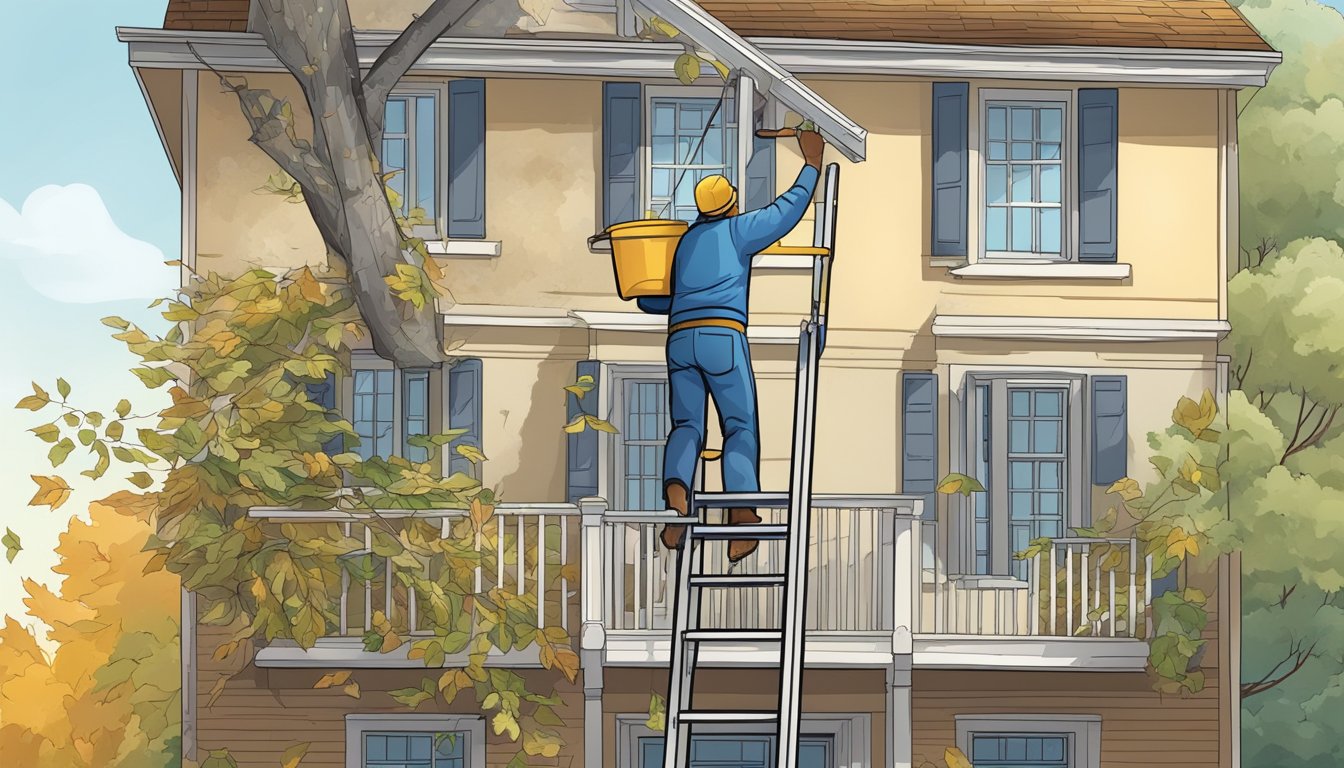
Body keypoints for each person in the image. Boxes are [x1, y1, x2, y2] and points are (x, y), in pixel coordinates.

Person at [637, 129, 826, 563]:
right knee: (739, 426)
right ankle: (741, 520)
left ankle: (676, 502)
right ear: (732, 205)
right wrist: (811, 164)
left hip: (680, 339)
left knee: (687, 425)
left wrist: (640, 294)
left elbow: (657, 299)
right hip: (722, 336)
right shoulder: (738, 231)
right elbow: (785, 211)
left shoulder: (686, 243)